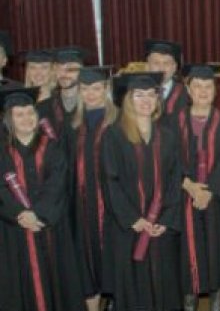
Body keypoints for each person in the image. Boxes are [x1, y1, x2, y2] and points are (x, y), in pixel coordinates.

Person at [102, 72, 183, 311]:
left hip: (160, 228)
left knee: (164, 283)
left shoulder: (167, 136)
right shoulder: (113, 136)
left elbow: (174, 180)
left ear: (158, 99)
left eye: (151, 94)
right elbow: (110, 182)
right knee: (133, 288)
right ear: (128, 99)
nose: (146, 100)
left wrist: (166, 220)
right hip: (129, 228)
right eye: (139, 95)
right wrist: (133, 219)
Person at [0, 86, 83, 310]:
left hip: (49, 227)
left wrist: (38, 215)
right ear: (8, 120)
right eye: (19, 114)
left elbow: (57, 185)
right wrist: (19, 214)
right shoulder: (2, 151)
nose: (27, 118)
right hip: (13, 231)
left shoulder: (53, 147)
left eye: (30, 113)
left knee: (56, 282)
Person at [168, 64, 220, 311]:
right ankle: (188, 304)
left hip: (217, 200)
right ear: (188, 90)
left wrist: (209, 191)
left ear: (215, 91)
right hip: (183, 199)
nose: (202, 91)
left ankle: (217, 304)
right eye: (197, 86)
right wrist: (189, 186)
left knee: (216, 255)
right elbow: (167, 160)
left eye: (208, 86)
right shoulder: (171, 122)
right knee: (188, 257)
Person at [64, 66, 118, 311]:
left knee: (113, 256)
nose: (90, 94)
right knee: (85, 258)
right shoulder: (72, 125)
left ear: (106, 89)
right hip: (81, 205)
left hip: (112, 204)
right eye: (85, 89)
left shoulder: (118, 121)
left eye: (96, 88)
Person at [37, 46, 85, 138]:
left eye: (70, 69)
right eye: (59, 69)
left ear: (82, 71)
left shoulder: (93, 107)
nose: (64, 74)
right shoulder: (42, 109)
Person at [145, 39, 189, 119]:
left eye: (166, 63)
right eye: (156, 63)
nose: (161, 68)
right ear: (147, 66)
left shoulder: (187, 93)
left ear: (174, 67)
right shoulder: (137, 94)